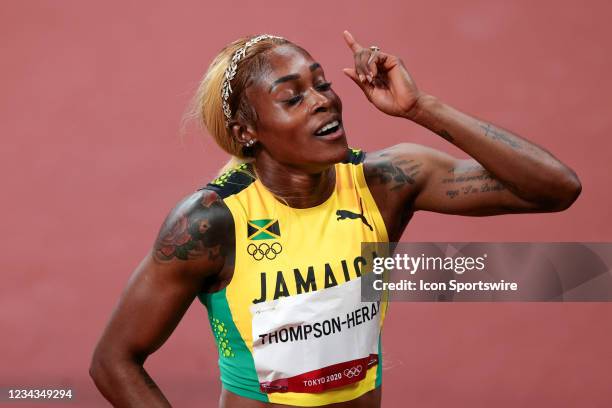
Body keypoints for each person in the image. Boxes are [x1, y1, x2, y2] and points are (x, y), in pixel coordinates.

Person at [89, 31, 581, 407]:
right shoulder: (211, 223)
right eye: (293, 96)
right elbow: (113, 361)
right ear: (246, 132)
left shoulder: (385, 182)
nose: (323, 99)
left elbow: (556, 188)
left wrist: (420, 108)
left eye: (321, 83)